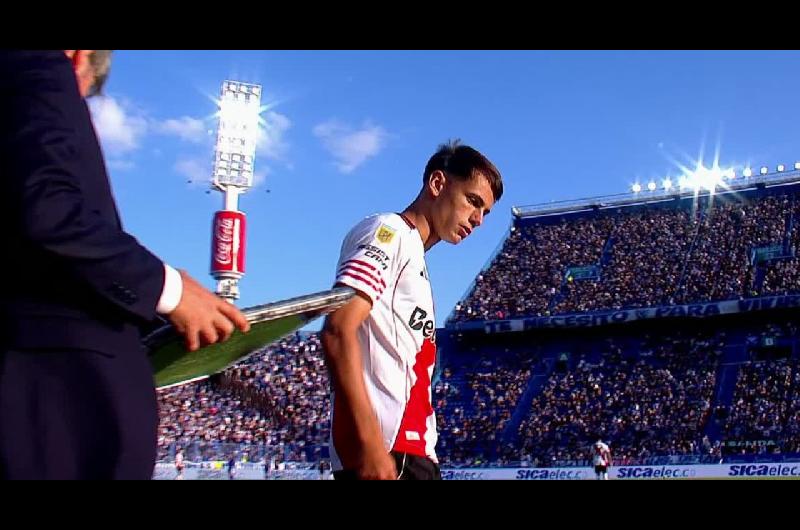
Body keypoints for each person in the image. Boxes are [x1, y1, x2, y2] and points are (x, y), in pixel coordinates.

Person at [0, 50, 249, 480]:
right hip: (63, 391)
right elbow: (49, 210)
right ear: (81, 59)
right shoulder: (39, 64)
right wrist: (169, 290)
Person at [321, 140, 503, 480]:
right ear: (437, 184)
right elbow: (337, 329)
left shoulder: (414, 258)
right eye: (472, 201)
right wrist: (371, 444)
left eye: (485, 213)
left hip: (410, 451)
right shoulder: (389, 233)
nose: (478, 220)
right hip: (389, 451)